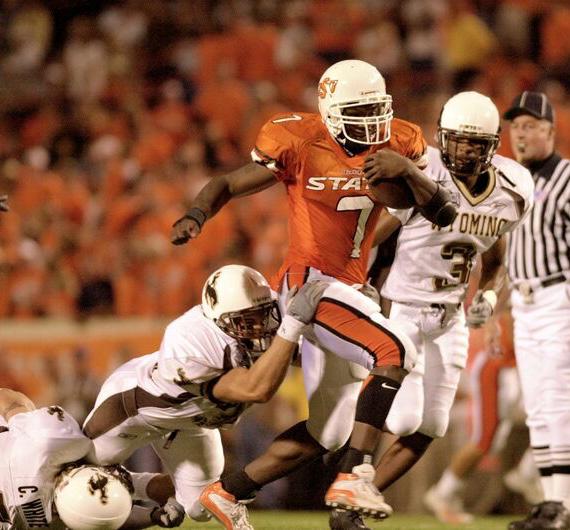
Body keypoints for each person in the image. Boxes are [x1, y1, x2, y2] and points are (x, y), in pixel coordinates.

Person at [171, 59, 457, 528]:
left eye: (376, 109)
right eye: (359, 112)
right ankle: (355, 476)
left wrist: (407, 168)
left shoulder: (400, 141)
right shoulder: (299, 140)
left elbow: (442, 212)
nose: (372, 122)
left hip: (350, 285)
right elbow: (227, 182)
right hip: (309, 282)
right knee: (395, 350)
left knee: (330, 430)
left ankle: (228, 492)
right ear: (330, 111)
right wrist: (197, 214)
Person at [328, 91, 534, 530]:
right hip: (405, 309)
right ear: (443, 138)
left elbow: (494, 251)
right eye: (457, 141)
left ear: (492, 145)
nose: (465, 152)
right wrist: (357, 279)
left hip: (450, 318)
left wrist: (489, 296)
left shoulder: (512, 189)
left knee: (432, 425)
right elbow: (373, 235)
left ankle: (352, 506)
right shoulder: (427, 169)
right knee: (404, 418)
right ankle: (350, 467)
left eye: (475, 143)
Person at [83, 264, 327, 529]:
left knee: (201, 506)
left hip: (193, 421)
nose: (259, 327)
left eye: (263, 314)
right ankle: (128, 483)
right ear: (219, 320)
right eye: (246, 321)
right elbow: (257, 389)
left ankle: (141, 486)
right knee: (80, 479)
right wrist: (292, 326)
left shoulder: (261, 322)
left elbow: (314, 352)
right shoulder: (190, 341)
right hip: (133, 410)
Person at [502, 91, 570, 530]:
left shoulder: (566, 177)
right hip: (523, 303)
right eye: (516, 126)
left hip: (557, 296)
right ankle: (550, 503)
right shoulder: (512, 179)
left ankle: (562, 503)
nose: (521, 134)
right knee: (538, 408)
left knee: (558, 401)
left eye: (530, 126)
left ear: (550, 130)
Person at [0, 387, 183, 530]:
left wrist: (25, 424)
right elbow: (99, 516)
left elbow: (11, 401)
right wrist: (153, 516)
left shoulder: (42, 447)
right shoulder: (46, 447)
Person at [424, 306, 542, 524]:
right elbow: (511, 321)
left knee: (552, 419)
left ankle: (527, 471)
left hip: (514, 369)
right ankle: (443, 493)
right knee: (484, 439)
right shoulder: (525, 298)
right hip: (498, 368)